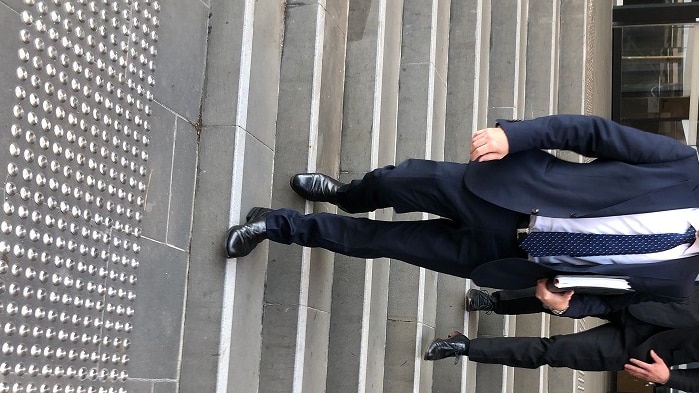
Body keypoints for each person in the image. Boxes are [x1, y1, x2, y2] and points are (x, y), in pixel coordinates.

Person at [225, 115, 699, 316]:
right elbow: (593, 134)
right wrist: (518, 136)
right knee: (396, 183)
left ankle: (277, 225)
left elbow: (612, 304)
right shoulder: (684, 168)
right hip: (510, 194)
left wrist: (568, 307)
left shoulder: (679, 282)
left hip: (507, 256)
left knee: (380, 243)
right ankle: (347, 193)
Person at [423, 282, 699, 390]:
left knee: (555, 351)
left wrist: (669, 378)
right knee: (569, 292)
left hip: (645, 352)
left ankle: (464, 347)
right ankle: (496, 302)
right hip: (656, 298)